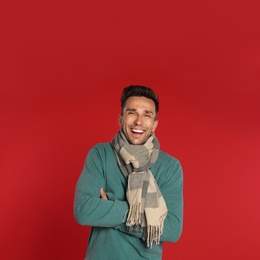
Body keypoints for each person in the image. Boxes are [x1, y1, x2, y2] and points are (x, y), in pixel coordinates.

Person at [74, 85, 183, 260]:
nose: (139, 121)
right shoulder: (101, 154)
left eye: (147, 114)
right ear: (120, 119)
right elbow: (84, 210)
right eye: (132, 113)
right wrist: (146, 214)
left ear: (154, 124)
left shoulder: (170, 167)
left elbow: (171, 229)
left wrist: (110, 211)